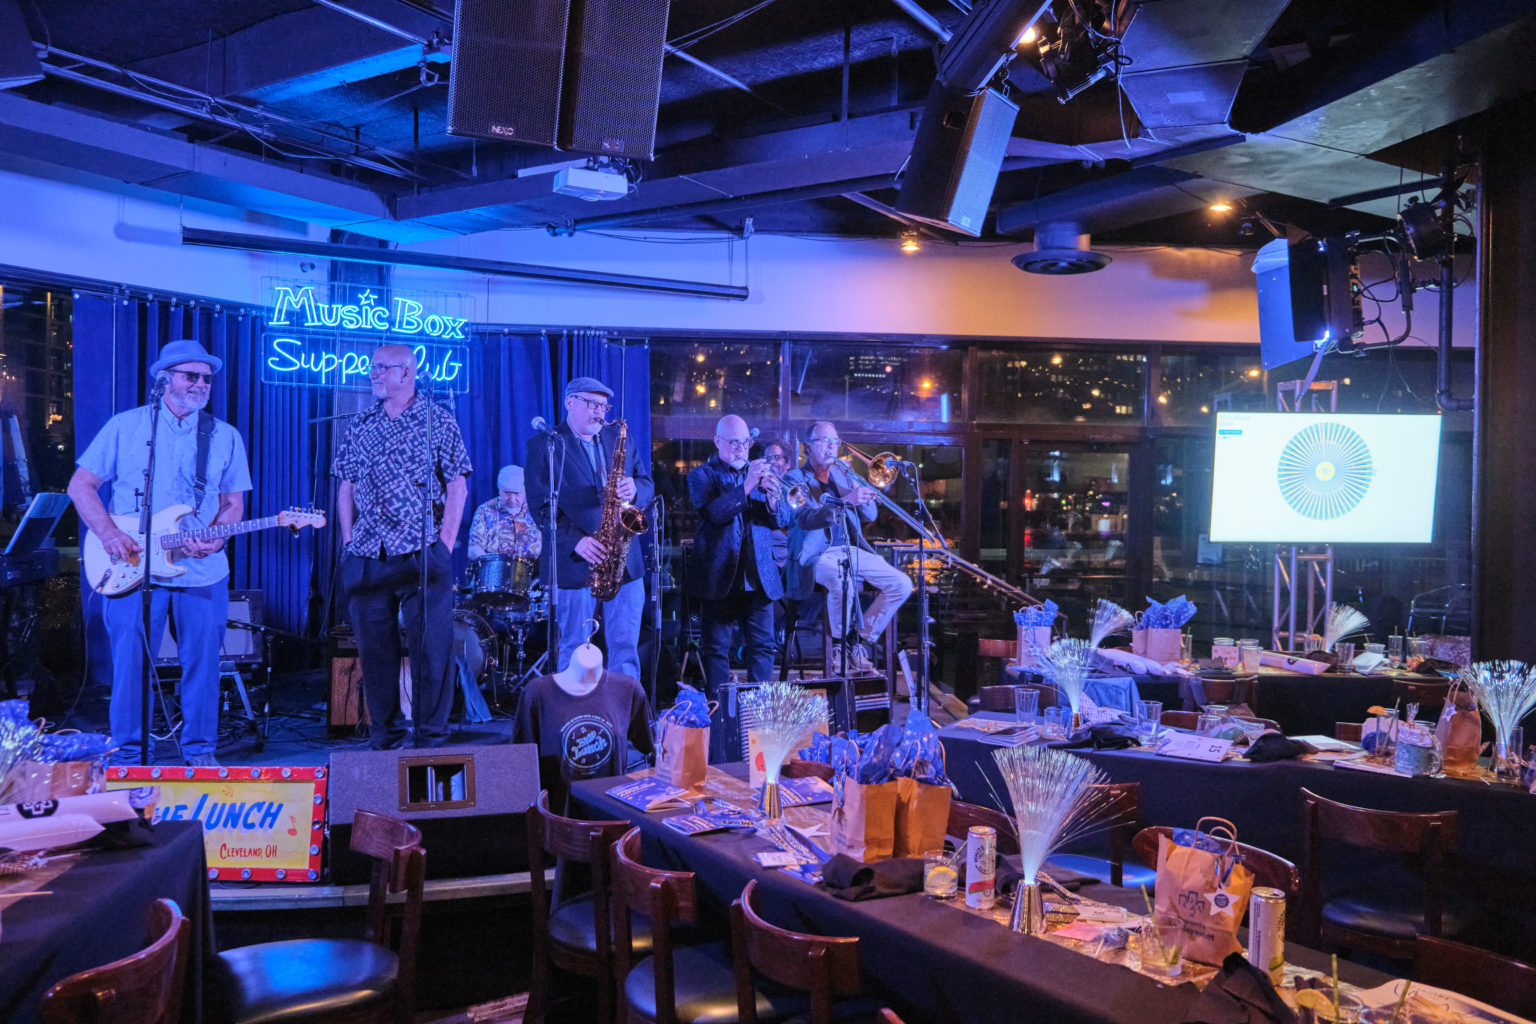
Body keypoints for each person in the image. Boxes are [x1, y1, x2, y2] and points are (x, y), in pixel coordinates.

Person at [68, 339, 251, 766]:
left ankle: (200, 753)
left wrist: (216, 537)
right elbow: (81, 486)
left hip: (201, 569)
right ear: (164, 380)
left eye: (207, 378)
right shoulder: (126, 426)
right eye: (191, 376)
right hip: (132, 565)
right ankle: (129, 756)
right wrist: (109, 534)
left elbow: (233, 503)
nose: (202, 384)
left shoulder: (224, 435)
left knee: (203, 665)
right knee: (131, 664)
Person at [333, 344, 470, 749]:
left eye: (381, 368)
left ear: (407, 373)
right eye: (372, 367)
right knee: (375, 653)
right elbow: (346, 486)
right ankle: (385, 735)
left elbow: (458, 485)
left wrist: (443, 547)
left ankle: (430, 737)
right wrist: (348, 542)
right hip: (367, 555)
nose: (372, 374)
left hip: (421, 552)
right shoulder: (361, 424)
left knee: (431, 653)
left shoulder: (437, 420)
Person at [525, 376, 653, 680]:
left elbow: (646, 483)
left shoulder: (619, 438)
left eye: (603, 406)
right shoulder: (544, 445)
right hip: (576, 562)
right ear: (569, 402)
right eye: (592, 404)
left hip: (624, 562)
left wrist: (635, 488)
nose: (599, 412)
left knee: (626, 649)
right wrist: (575, 541)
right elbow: (539, 505)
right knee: (574, 647)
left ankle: (624, 708)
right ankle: (572, 707)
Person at [783, 421, 913, 674]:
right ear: (807, 447)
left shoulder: (841, 476)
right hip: (815, 555)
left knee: (901, 583)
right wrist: (844, 501)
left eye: (834, 442)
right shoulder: (794, 478)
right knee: (843, 581)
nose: (831, 447)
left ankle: (859, 640)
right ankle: (839, 646)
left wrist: (855, 485)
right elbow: (806, 518)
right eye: (824, 441)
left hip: (848, 551)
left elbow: (870, 515)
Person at [687, 416, 791, 730]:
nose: (740, 449)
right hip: (719, 577)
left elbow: (783, 519)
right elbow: (715, 513)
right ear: (717, 441)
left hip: (759, 577)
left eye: (745, 443)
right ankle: (719, 723)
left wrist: (772, 498)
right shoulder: (701, 475)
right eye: (733, 442)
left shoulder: (761, 473)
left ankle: (760, 722)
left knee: (763, 648)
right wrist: (747, 487)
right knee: (716, 651)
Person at [513, 636, 652, 813]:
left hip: (611, 814)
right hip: (559, 816)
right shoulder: (537, 693)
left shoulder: (628, 689)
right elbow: (520, 763)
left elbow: (647, 746)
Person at [467, 464, 542, 560]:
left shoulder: (538, 510)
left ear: (525, 491)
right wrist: (491, 563)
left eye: (517, 494)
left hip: (535, 568)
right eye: (506, 493)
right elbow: (474, 548)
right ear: (499, 490)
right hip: (495, 567)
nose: (512, 499)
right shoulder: (485, 510)